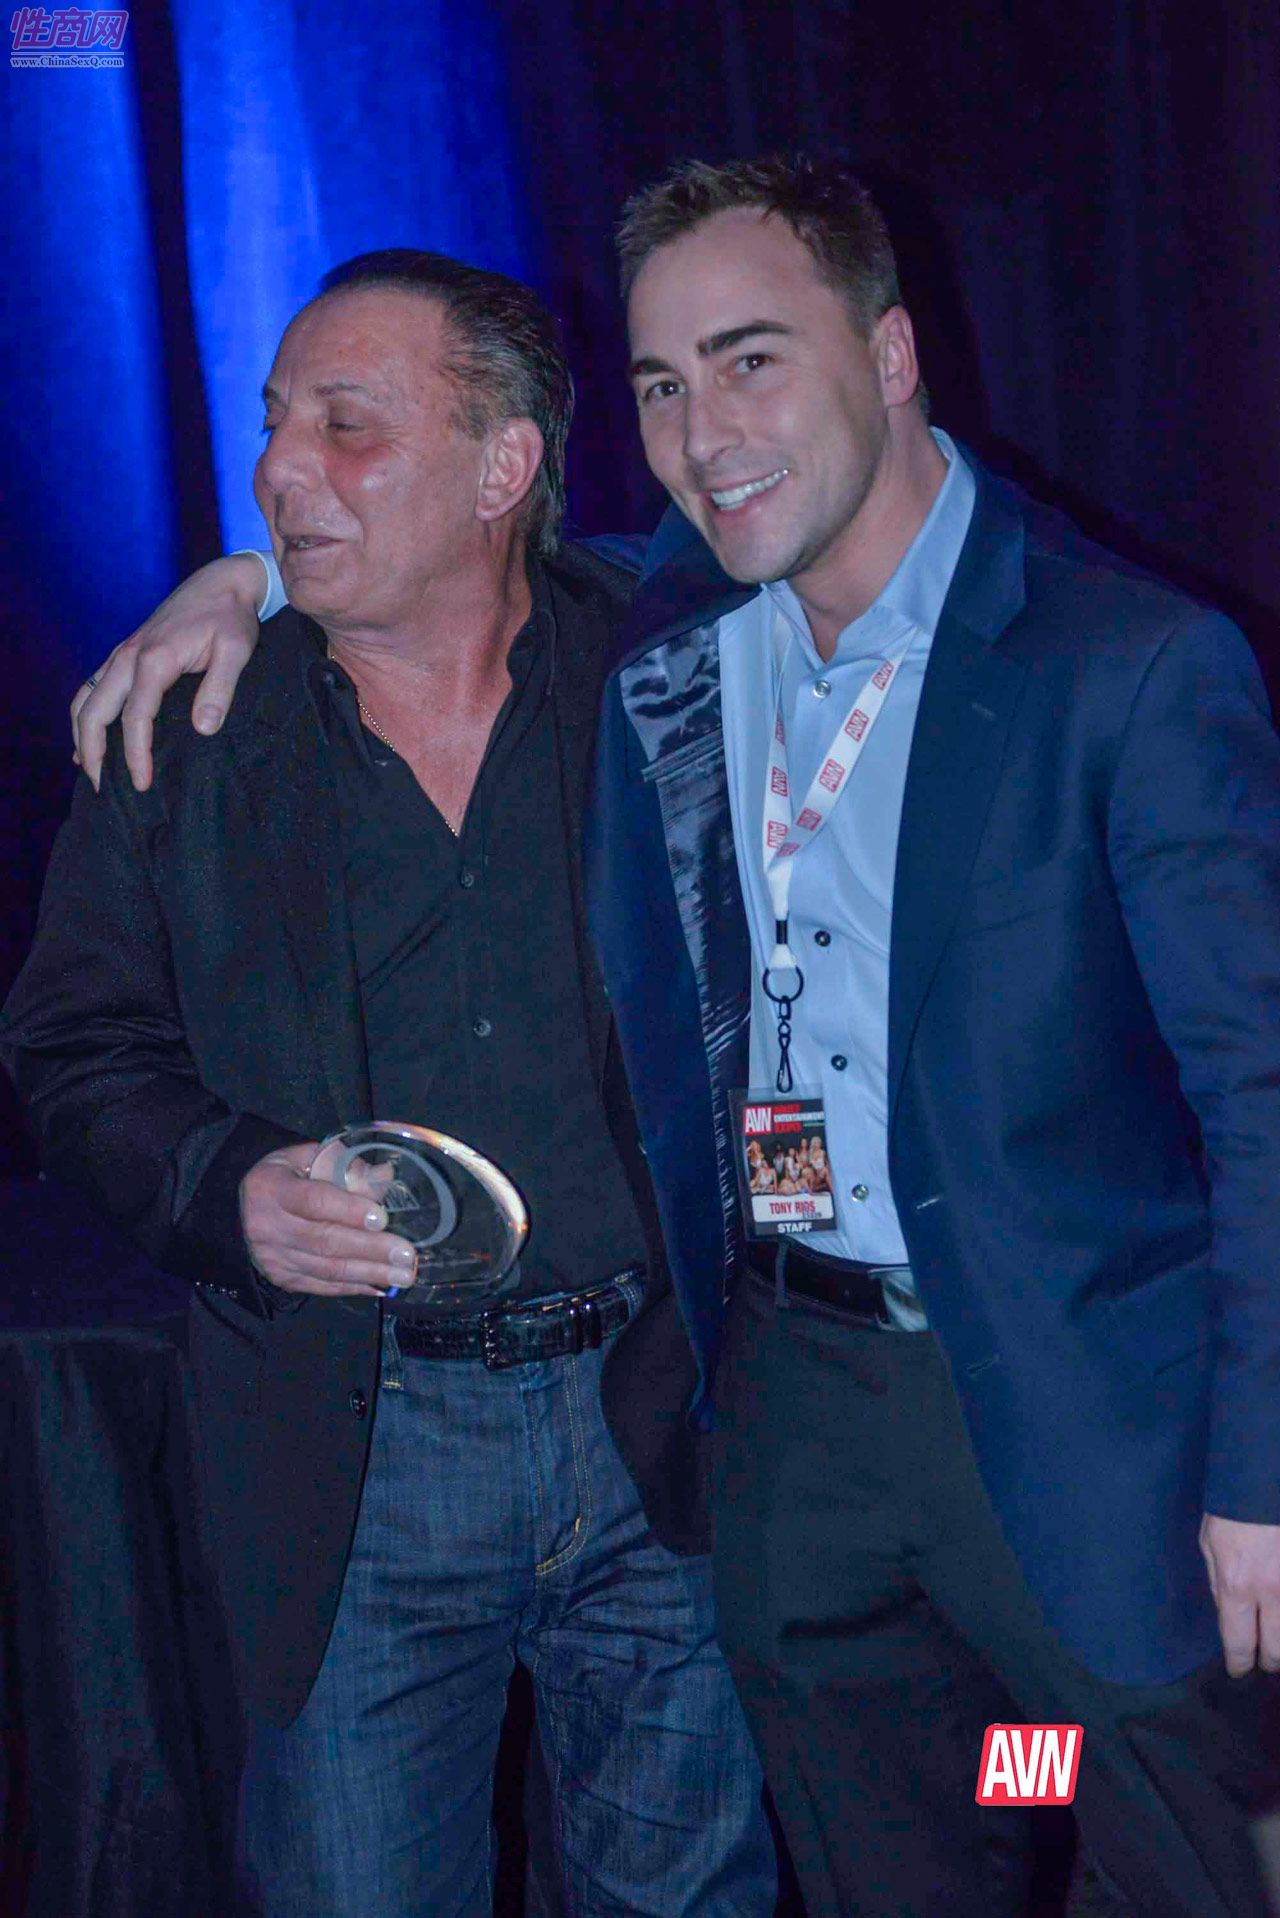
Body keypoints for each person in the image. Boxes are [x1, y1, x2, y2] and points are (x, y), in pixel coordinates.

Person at [61, 159, 1280, 1916]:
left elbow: (1257, 1094)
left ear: (892, 353)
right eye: (661, 384)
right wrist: (241, 579)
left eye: (751, 361)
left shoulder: (1096, 661)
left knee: (1115, 1816)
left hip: (1013, 1426)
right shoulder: (669, 629)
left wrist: (1258, 1465)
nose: (705, 435)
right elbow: (82, 1037)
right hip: (739, 1440)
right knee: (897, 1852)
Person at [1, 250, 774, 1918]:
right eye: (274, 425)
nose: (282, 470)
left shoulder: (672, 663)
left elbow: (864, 524)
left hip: (663, 1423)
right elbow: (67, 1049)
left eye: (346, 427)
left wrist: (230, 573)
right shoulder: (181, 731)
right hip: (357, 1453)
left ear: (504, 466)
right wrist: (222, 1184)